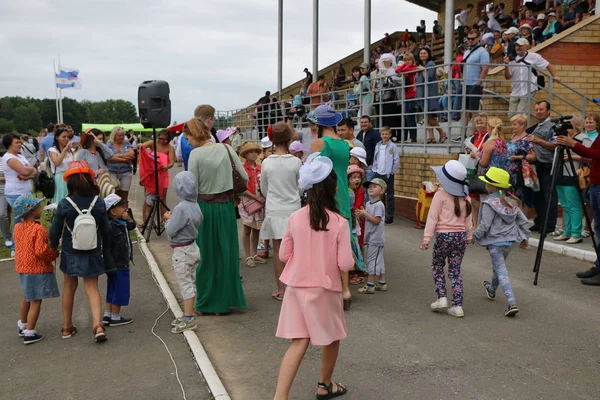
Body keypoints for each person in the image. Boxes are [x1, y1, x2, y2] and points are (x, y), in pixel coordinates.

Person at [273, 155, 353, 400]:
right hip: (325, 288)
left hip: (296, 287)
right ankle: (324, 384)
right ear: (332, 188)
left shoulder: (296, 217)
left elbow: (285, 254)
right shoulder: (339, 222)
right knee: (332, 337)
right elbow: (345, 263)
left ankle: (280, 396)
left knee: (298, 341)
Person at [187, 106, 248, 313]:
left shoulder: (195, 155)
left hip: (204, 208)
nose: (187, 142)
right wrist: (236, 197)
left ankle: (205, 302)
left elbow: (191, 186)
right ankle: (227, 299)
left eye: (188, 137)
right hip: (225, 208)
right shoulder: (227, 149)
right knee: (227, 253)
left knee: (205, 256)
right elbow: (244, 178)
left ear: (194, 134)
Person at [49, 161, 110, 343]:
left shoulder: (64, 203)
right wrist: (106, 248)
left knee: (69, 287)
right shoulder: (98, 202)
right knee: (92, 288)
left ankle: (67, 327)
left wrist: (53, 246)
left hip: (71, 250)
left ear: (70, 182)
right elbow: (106, 230)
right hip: (92, 249)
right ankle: (98, 325)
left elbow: (55, 229)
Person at [309, 106, 352, 307]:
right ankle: (345, 289)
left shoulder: (320, 143)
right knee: (342, 242)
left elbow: (314, 172)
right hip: (343, 193)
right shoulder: (344, 144)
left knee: (324, 240)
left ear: (318, 124)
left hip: (326, 195)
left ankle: (327, 285)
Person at [474, 167, 531, 316]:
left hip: (495, 242)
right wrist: (525, 237)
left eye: (487, 182)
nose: (485, 185)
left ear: (491, 186)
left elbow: (485, 225)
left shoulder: (488, 203)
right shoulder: (512, 202)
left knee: (501, 270)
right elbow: (524, 222)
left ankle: (512, 302)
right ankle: (492, 289)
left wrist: (474, 237)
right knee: (498, 268)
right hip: (509, 242)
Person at [421, 160, 473, 318]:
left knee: (437, 265)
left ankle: (442, 297)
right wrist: (469, 237)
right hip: (460, 237)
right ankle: (458, 305)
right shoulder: (467, 198)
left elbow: (432, 218)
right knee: (455, 271)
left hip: (443, 236)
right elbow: (468, 222)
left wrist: (426, 238)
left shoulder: (440, 195)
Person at [260, 122, 302, 301]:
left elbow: (263, 189)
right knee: (295, 250)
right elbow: (300, 187)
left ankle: (281, 289)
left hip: (274, 209)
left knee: (278, 249)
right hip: (293, 208)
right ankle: (295, 287)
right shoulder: (296, 161)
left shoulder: (266, 163)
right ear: (289, 138)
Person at [13, 193, 60, 344]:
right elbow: (40, 251)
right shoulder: (38, 230)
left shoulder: (17, 228)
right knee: (36, 300)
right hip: (37, 269)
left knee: (27, 296)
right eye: (38, 206)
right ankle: (30, 332)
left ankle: (23, 323)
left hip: (23, 267)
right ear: (32, 211)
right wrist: (53, 253)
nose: (40, 208)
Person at [164, 172, 203, 333]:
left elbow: (171, 230)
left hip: (182, 251)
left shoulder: (181, 208)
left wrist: (167, 219)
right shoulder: (195, 205)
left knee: (185, 283)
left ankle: (188, 318)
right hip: (192, 247)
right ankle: (189, 313)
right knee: (191, 281)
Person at [552, 115, 589, 244]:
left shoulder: (583, 138)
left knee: (574, 205)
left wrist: (573, 158)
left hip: (573, 173)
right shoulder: (565, 139)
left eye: (569, 124)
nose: (566, 127)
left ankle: (576, 233)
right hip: (560, 173)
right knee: (565, 205)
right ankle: (567, 231)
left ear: (576, 125)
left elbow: (588, 156)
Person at [101, 193, 135, 327]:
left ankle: (107, 314)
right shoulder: (112, 227)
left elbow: (132, 226)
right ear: (113, 211)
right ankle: (115, 316)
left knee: (112, 289)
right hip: (119, 263)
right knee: (120, 290)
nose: (125, 209)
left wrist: (129, 219)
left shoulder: (120, 223)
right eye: (121, 207)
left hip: (113, 264)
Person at [503, 38, 560, 116]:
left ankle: (521, 127)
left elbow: (547, 65)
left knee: (520, 114)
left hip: (528, 89)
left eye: (520, 46)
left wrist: (555, 76)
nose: (518, 47)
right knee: (511, 115)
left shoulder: (534, 56)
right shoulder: (511, 58)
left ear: (526, 46)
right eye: (516, 45)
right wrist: (506, 65)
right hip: (515, 90)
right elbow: (507, 77)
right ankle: (520, 128)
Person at [2, 133, 37, 255]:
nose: (20, 144)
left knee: (26, 219)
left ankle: (25, 244)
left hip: (25, 191)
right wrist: (28, 171)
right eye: (17, 142)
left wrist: (28, 172)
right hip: (15, 193)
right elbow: (24, 170)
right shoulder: (9, 158)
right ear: (9, 144)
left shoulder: (20, 156)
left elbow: (34, 170)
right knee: (20, 220)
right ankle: (15, 248)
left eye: (20, 142)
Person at [526, 101, 558, 233]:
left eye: (541, 109)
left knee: (548, 195)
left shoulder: (553, 126)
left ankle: (549, 225)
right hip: (535, 165)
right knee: (537, 196)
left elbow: (556, 145)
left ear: (548, 111)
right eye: (537, 109)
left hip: (548, 164)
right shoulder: (535, 126)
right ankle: (539, 221)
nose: (538, 112)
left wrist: (537, 140)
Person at [356, 178, 387, 294]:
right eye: (370, 186)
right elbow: (369, 218)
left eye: (375, 186)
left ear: (382, 191)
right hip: (371, 237)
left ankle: (370, 285)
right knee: (379, 260)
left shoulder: (379, 205)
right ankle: (382, 283)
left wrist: (365, 214)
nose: (371, 188)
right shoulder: (368, 204)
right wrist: (362, 214)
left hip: (376, 239)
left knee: (372, 261)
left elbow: (376, 220)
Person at [238, 141, 266, 268]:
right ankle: (248, 255)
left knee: (256, 228)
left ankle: (254, 254)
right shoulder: (242, 169)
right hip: (248, 201)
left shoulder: (261, 168)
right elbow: (242, 188)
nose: (254, 154)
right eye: (251, 152)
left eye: (256, 151)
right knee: (247, 228)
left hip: (259, 200)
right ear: (245, 154)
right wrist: (256, 197)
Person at [138, 128, 175, 224]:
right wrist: (141, 146)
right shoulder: (153, 143)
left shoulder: (170, 148)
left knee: (162, 198)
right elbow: (141, 146)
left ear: (169, 139)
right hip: (152, 175)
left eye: (165, 140)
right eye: (160, 139)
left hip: (163, 174)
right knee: (147, 199)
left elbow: (171, 163)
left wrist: (166, 167)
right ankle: (145, 221)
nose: (162, 142)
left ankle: (164, 220)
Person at [416, 47, 447, 143]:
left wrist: (423, 69)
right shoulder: (421, 64)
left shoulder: (430, 64)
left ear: (428, 54)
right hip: (422, 93)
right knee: (427, 116)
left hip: (429, 93)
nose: (423, 55)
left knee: (430, 116)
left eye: (425, 53)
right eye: (421, 53)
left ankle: (442, 133)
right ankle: (431, 136)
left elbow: (428, 76)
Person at [506, 114, 536, 211]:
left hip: (519, 175)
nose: (512, 126)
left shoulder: (526, 139)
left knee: (520, 200)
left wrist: (518, 157)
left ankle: (521, 224)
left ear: (522, 125)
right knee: (510, 201)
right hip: (509, 174)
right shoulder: (513, 137)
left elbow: (533, 156)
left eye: (514, 124)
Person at [371, 127, 399, 224]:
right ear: (380, 134)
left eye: (387, 134)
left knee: (389, 195)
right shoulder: (378, 145)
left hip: (388, 174)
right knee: (380, 195)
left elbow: (396, 160)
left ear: (390, 135)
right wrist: (375, 169)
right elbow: (376, 158)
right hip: (379, 172)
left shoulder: (392, 146)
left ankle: (390, 216)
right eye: (383, 134)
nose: (385, 136)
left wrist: (392, 171)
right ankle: (381, 214)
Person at [463, 29, 490, 122]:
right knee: (464, 110)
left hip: (474, 84)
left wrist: (478, 83)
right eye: (469, 38)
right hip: (465, 84)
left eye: (473, 39)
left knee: (474, 111)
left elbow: (485, 69)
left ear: (478, 38)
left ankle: (476, 134)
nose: (470, 40)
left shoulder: (483, 52)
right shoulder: (466, 52)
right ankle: (463, 134)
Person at [348, 164, 367, 285]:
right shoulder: (346, 190)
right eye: (354, 177)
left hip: (356, 220)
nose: (357, 180)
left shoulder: (360, 191)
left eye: (358, 177)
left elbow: (358, 205)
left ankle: (359, 268)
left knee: (357, 245)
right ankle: (353, 271)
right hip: (349, 219)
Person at [107, 126, 135, 201]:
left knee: (124, 195)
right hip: (112, 172)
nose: (122, 137)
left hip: (126, 172)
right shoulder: (109, 144)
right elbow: (110, 159)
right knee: (114, 195)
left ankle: (124, 211)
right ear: (114, 135)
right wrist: (125, 159)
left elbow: (132, 155)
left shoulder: (126, 143)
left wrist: (116, 156)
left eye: (123, 135)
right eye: (119, 135)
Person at [396, 52, 419, 142]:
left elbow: (405, 70)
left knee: (411, 116)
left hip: (412, 94)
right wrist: (405, 63)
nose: (407, 61)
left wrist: (408, 64)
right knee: (408, 116)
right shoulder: (407, 67)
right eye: (405, 60)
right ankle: (411, 136)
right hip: (406, 95)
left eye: (409, 59)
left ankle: (413, 137)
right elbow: (397, 70)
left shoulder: (413, 68)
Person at [48, 126, 75, 204]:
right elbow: (57, 162)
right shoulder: (52, 150)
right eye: (63, 137)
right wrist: (65, 150)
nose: (66, 139)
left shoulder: (71, 151)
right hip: (60, 178)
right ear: (57, 137)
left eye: (67, 137)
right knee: (61, 200)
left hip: (71, 177)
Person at [356, 115, 381, 184]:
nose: (363, 124)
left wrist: (373, 163)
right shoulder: (359, 134)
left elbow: (379, 150)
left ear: (370, 123)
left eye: (365, 122)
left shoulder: (375, 134)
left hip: (370, 166)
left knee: (370, 187)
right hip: (362, 166)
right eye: (362, 122)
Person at [0, 158, 12, 249]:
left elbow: (11, 176)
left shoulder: (4, 161)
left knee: (2, 214)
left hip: (3, 192)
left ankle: (7, 236)